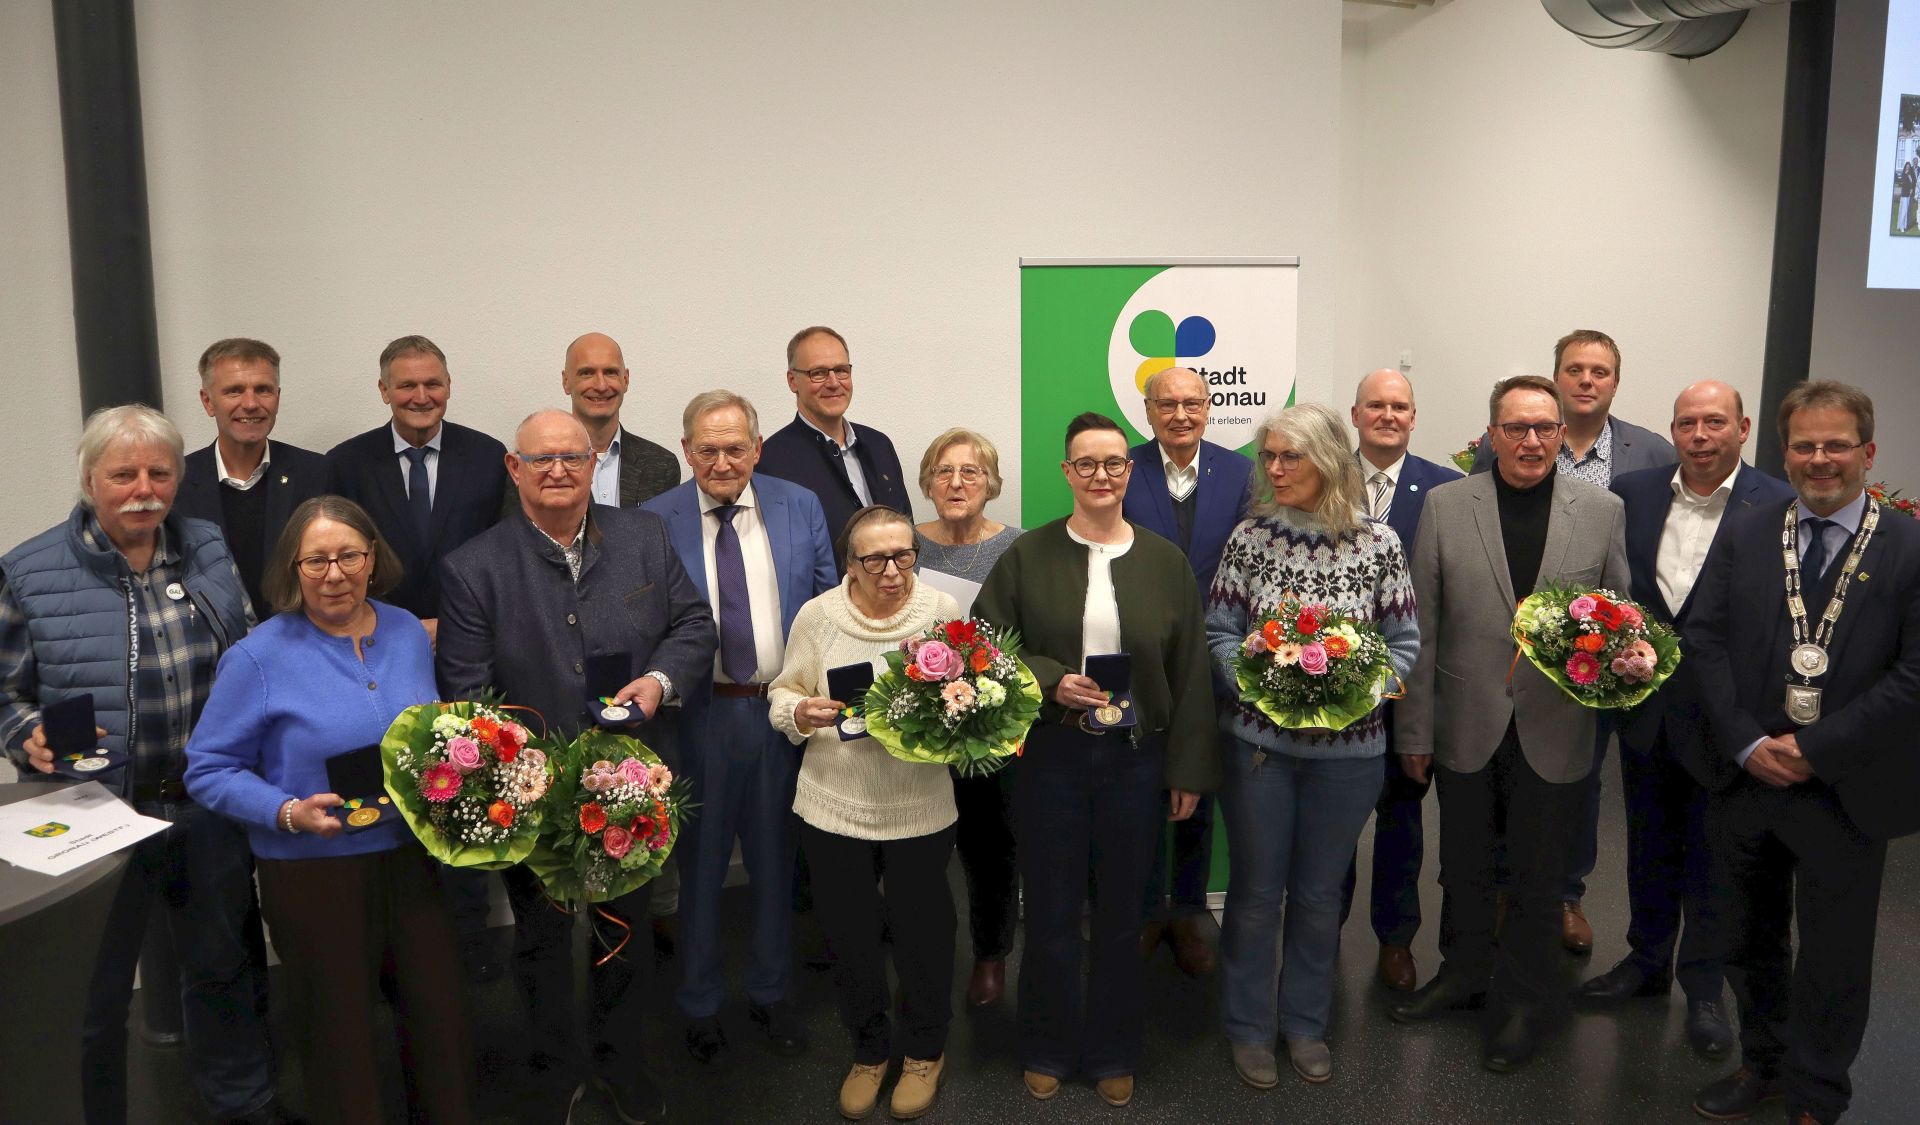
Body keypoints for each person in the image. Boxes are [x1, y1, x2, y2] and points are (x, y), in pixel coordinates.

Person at [0, 405, 288, 1125]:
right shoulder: (28, 570)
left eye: (159, 472)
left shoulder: (207, 546)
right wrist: (25, 734)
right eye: (123, 473)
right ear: (90, 477)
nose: (143, 488)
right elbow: (6, 693)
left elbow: (251, 647)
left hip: (206, 800)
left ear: (177, 478)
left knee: (223, 969)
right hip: (96, 815)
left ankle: (243, 1106)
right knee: (94, 993)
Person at [437, 409, 715, 1124]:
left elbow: (692, 625)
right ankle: (555, 1068)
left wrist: (658, 682)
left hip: (632, 785)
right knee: (540, 941)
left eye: (573, 456)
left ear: (595, 463)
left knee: (625, 937)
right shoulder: (474, 568)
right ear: (514, 468)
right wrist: (535, 779)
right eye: (542, 458)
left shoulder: (645, 536)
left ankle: (623, 1060)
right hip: (532, 799)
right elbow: (468, 692)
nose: (558, 469)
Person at [184, 496, 471, 1124]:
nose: (334, 574)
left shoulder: (405, 632)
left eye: (348, 556)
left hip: (410, 861)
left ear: (373, 559)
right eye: (315, 561)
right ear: (293, 569)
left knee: (439, 1022)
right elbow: (207, 768)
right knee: (338, 1041)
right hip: (313, 871)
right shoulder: (258, 657)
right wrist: (285, 811)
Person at [1682, 382, 1920, 1125]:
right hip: (1749, 775)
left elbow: (1915, 672)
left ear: (1868, 451)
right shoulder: (1749, 530)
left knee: (1835, 953)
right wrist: (1749, 741)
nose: (1820, 460)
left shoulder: (1910, 544)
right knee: (1747, 934)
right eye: (1805, 446)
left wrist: (1815, 747)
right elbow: (1705, 638)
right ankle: (1765, 1063)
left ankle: (1818, 1091)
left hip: (1845, 785)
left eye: (1836, 444)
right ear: (1783, 452)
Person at [975, 412, 1218, 1109]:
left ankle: (1114, 1047)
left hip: (1135, 761)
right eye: (1086, 463)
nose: (1101, 475)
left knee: (1123, 913)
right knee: (1049, 910)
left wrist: (1187, 772)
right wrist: (1052, 676)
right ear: (1066, 473)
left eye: (1113, 463)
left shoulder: (1165, 562)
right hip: (1050, 755)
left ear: (1130, 471)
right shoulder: (1028, 555)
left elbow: (1192, 672)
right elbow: (989, 643)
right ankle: (1048, 1043)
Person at [1391, 376, 1628, 1074]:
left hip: (1555, 724)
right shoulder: (1445, 504)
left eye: (1544, 427)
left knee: (1538, 871)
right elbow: (1422, 627)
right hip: (1466, 718)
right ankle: (1462, 974)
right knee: (1462, 863)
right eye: (1516, 427)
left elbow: (1618, 615)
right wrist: (1414, 732)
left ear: (1562, 433)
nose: (1531, 441)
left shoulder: (1602, 510)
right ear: (1490, 433)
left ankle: (1525, 998)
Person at [1206, 403, 1420, 1089]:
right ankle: (1247, 1027)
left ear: (1327, 458)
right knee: (1255, 893)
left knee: (1321, 894)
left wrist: (1357, 692)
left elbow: (1405, 643)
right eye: (1269, 455)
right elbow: (1218, 630)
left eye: (1288, 456)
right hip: (1260, 751)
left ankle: (1304, 1022)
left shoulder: (1380, 543)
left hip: (1349, 758)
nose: (1273, 468)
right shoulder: (1250, 538)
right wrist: (1258, 685)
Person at [1578, 381, 1792, 1062]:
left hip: (1728, 715)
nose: (1700, 434)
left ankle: (1702, 988)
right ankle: (1645, 960)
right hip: (1645, 708)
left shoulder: (1778, 504)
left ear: (1743, 428)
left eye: (1715, 422)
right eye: (1688, 422)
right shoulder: (1636, 492)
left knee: (1711, 853)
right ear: (1672, 429)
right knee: (1647, 841)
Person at [643, 391, 836, 1064]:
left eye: (734, 447)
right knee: (697, 868)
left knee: (776, 862)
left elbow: (825, 603)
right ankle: (698, 1001)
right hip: (698, 715)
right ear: (686, 450)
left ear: (756, 448)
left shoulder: (797, 504)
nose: (721, 461)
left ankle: (770, 991)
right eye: (706, 448)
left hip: (781, 711)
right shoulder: (652, 519)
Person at [1471, 330, 1676, 954]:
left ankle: (1566, 895)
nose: (1587, 380)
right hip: (1516, 651)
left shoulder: (1650, 452)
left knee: (1583, 780)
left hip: (1604, 649)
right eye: (1575, 369)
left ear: (1616, 381)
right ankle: (1512, 887)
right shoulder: (1504, 442)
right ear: (1556, 378)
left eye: (1600, 371)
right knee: (1510, 773)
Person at [768, 505, 963, 1121]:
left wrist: (957, 716)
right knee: (850, 934)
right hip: (835, 804)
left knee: (922, 933)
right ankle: (870, 1049)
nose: (891, 570)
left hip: (919, 804)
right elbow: (783, 690)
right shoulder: (819, 615)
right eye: (874, 558)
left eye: (903, 555)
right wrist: (799, 714)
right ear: (849, 563)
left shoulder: (940, 612)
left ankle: (926, 1049)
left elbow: (970, 693)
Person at [324, 333, 510, 975]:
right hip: (374, 655)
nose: (421, 396)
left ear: (449, 386)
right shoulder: (345, 464)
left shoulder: (489, 458)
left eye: (432, 383)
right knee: (387, 794)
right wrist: (406, 625)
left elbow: (503, 556)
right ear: (384, 392)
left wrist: (453, 624)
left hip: (471, 656)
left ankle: (470, 944)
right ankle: (391, 953)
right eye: (406, 385)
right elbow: (337, 560)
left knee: (464, 792)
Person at [1120, 366, 1252, 977]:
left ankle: (1191, 912)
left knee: (1199, 783)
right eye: (1166, 404)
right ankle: (1145, 912)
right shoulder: (1123, 468)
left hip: (1215, 661)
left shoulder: (1242, 473)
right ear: (1146, 412)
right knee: (1144, 781)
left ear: (1208, 409)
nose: (1180, 414)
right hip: (1140, 654)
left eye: (1192, 403)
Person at [1339, 367, 1461, 992]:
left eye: (1400, 407)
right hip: (1328, 682)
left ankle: (1395, 939)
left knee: (1402, 818)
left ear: (1414, 418)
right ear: (1354, 415)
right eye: (1376, 405)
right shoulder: (1322, 482)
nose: (1388, 415)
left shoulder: (1448, 489)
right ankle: (1322, 934)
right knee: (1332, 825)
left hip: (1410, 687)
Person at [911, 426, 1024, 1007]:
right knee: (920, 847)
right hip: (918, 722)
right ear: (927, 482)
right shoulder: (905, 545)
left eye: (970, 472)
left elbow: (1030, 633)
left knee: (990, 844)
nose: (956, 483)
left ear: (992, 484)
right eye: (944, 472)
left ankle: (990, 954)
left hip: (991, 726)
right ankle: (918, 949)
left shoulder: (1018, 546)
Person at [174, 338, 329, 619]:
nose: (251, 403)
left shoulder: (317, 474)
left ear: (277, 398)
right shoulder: (175, 483)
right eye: (234, 391)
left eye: (263, 390)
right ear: (208, 402)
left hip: (299, 645)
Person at [758, 325, 914, 558]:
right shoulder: (771, 460)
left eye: (841, 370)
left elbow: (906, 530)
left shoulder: (880, 445)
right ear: (792, 381)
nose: (833, 383)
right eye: (818, 373)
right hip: (820, 594)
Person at [561, 331, 681, 506]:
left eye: (610, 372)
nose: (601, 385)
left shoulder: (661, 465)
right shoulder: (538, 464)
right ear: (566, 382)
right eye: (587, 373)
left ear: (625, 379)